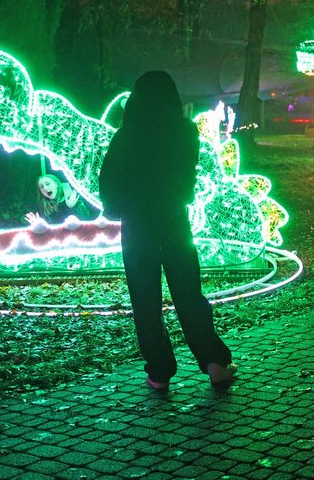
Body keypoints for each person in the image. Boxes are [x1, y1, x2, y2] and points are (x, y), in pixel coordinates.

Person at [98, 71, 235, 391]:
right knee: (188, 294)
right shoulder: (185, 132)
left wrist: (118, 208)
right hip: (174, 221)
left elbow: (108, 180)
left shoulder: (126, 135)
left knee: (145, 301)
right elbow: (187, 181)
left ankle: (159, 372)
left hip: (137, 226)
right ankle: (213, 363)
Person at [25, 173, 90, 224]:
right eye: (42, 187)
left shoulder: (73, 197)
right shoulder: (43, 207)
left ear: (57, 184)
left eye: (48, 184)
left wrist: (72, 207)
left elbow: (86, 221)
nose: (45, 188)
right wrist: (38, 224)